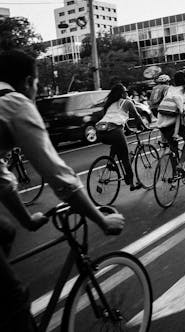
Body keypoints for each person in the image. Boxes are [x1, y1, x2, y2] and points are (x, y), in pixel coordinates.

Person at [0, 49, 124, 332]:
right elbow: (59, 176)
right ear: (28, 81)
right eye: (36, 83)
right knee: (13, 300)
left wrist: (27, 220)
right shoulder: (14, 104)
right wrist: (100, 220)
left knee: (5, 232)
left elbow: (2, 181)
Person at [96, 83, 147, 190]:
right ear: (122, 93)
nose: (127, 94)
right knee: (125, 158)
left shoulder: (109, 103)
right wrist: (145, 127)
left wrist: (128, 129)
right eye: (125, 92)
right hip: (114, 131)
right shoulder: (127, 102)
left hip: (100, 133)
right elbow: (137, 116)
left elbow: (117, 119)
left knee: (116, 144)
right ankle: (132, 184)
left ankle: (110, 163)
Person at [157, 71, 185, 176]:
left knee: (173, 147)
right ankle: (181, 165)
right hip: (175, 123)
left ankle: (174, 175)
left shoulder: (169, 89)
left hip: (161, 122)